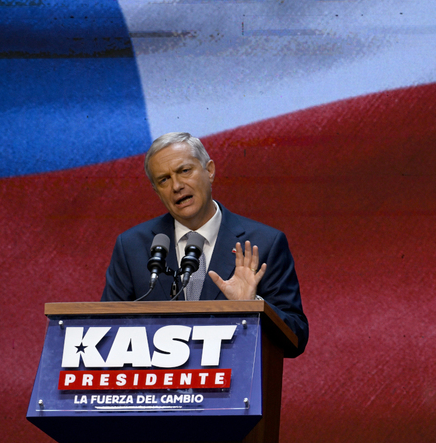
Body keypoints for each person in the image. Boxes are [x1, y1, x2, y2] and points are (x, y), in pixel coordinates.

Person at [101, 132, 308, 356]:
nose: (176, 186)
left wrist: (253, 305)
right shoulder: (132, 246)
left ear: (209, 171)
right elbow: (104, 332)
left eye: (184, 171)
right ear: (157, 191)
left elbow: (296, 338)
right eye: (164, 180)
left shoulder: (264, 243)